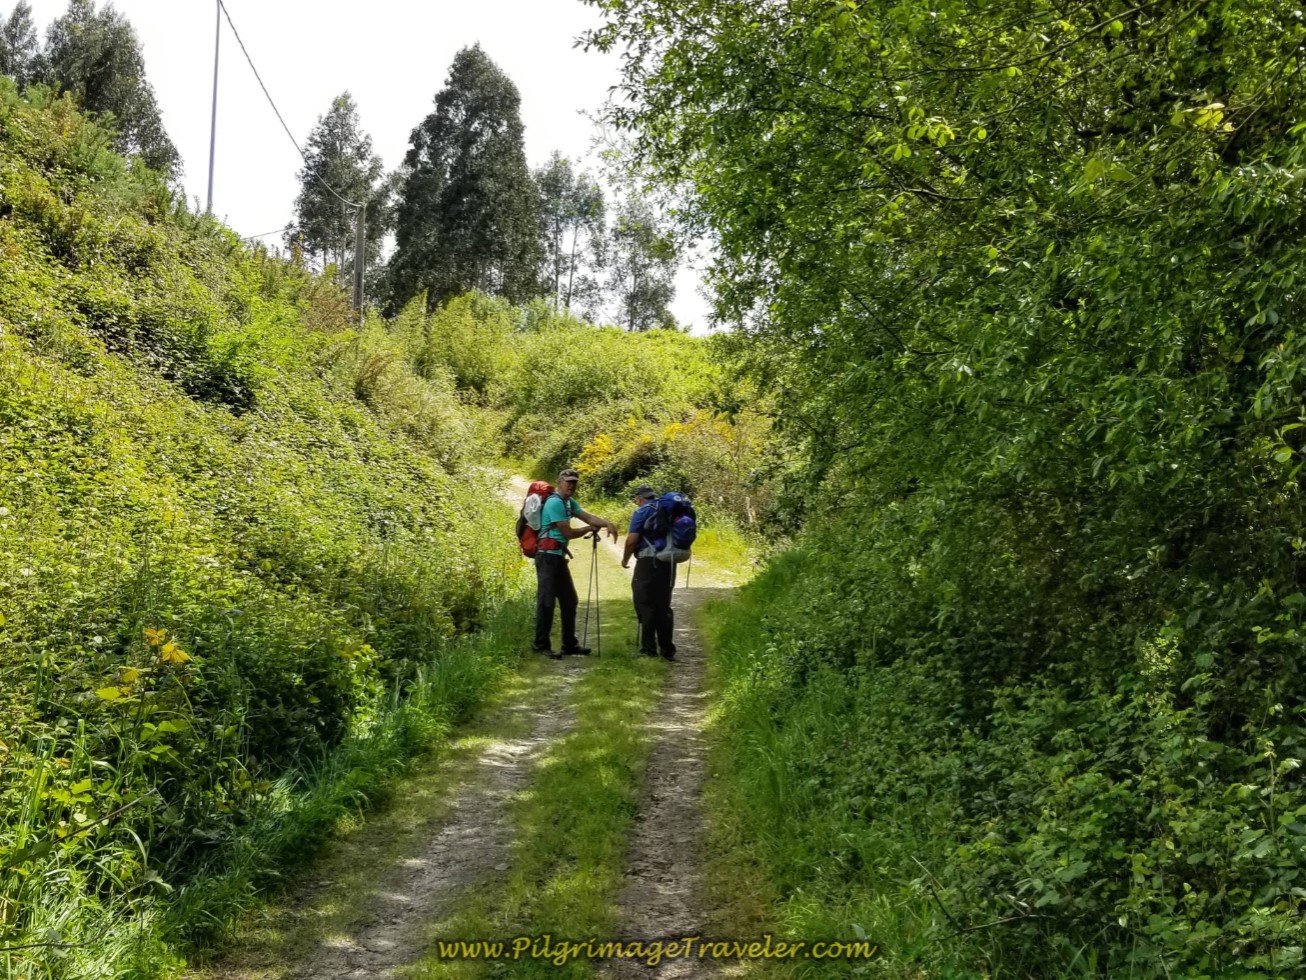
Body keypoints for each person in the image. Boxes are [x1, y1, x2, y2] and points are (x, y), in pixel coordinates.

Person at [534, 468, 618, 659]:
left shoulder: (568, 502)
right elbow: (568, 533)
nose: (572, 485)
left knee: (569, 600)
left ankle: (569, 645)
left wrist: (607, 523)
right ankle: (540, 645)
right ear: (559, 482)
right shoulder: (555, 503)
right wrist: (590, 528)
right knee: (546, 602)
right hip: (547, 556)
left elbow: (587, 516)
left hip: (557, 555)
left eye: (574, 482)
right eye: (568, 481)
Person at [622, 485, 676, 660]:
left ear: (639, 498)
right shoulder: (668, 509)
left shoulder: (642, 511)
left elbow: (632, 540)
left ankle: (648, 648)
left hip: (648, 562)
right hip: (669, 562)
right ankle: (667, 649)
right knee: (663, 604)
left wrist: (625, 560)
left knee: (645, 603)